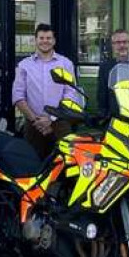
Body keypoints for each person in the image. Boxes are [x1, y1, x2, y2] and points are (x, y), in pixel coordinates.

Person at [12, 23, 80, 160]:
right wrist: (36, 120)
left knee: (65, 163)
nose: (45, 41)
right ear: (35, 40)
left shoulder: (66, 64)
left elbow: (70, 94)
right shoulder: (24, 65)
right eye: (41, 38)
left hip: (60, 123)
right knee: (32, 163)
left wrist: (51, 119)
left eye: (48, 38)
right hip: (33, 124)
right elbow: (18, 96)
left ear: (54, 41)